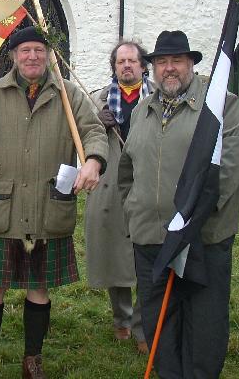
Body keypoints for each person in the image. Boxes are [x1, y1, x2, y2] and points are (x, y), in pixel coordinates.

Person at [0, 25, 108, 379]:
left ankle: (32, 360)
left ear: (49, 56)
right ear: (13, 56)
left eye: (39, 51)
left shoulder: (68, 95)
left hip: (47, 208)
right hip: (3, 210)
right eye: (25, 50)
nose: (32, 57)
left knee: (38, 287)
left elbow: (93, 132)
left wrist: (93, 160)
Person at [118, 30, 239, 378]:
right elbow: (127, 172)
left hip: (201, 239)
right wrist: (135, 209)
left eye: (177, 61)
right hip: (151, 239)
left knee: (203, 327)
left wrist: (198, 210)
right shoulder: (142, 111)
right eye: (162, 62)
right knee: (159, 324)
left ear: (191, 64)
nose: (169, 69)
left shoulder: (219, 104)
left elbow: (238, 155)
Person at [86, 40, 151, 352]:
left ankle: (142, 324)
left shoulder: (158, 98)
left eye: (132, 61)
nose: (127, 66)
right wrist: (98, 123)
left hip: (147, 182)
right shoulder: (98, 100)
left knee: (147, 254)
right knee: (114, 252)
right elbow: (83, 136)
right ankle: (122, 318)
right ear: (114, 67)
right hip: (111, 185)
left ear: (142, 66)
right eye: (121, 61)